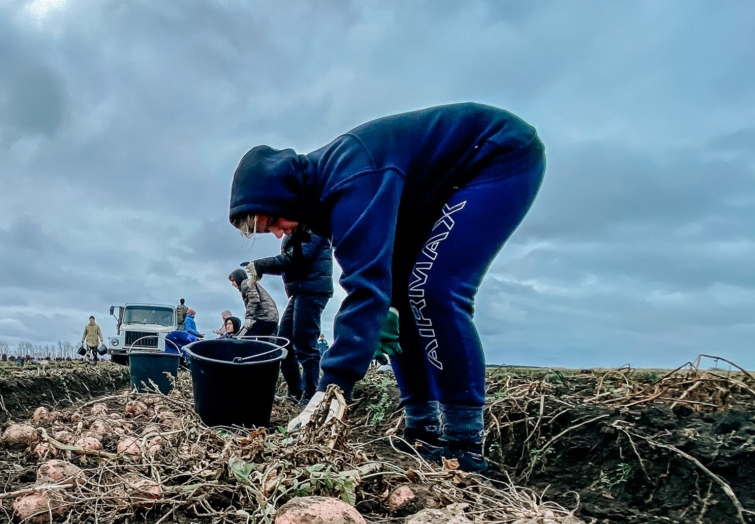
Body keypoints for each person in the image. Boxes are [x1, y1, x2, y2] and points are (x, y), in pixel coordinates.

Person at [229, 103, 546, 473]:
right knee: (396, 304)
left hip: (494, 156)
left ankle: (463, 443)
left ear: (282, 191)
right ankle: (422, 427)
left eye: (274, 219)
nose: (281, 231)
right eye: (270, 231)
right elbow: (378, 287)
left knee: (434, 290)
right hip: (424, 193)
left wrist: (332, 387)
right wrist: (384, 305)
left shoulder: (350, 179)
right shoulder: (321, 206)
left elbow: (364, 287)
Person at [244, 224, 333, 404]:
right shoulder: (299, 228)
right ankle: (296, 392)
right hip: (300, 290)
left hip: (313, 289)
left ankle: (310, 395)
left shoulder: (313, 227)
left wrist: (261, 266)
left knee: (304, 343)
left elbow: (296, 258)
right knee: (283, 342)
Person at [227, 269, 278, 337]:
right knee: (261, 343)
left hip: (262, 317)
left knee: (240, 338)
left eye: (233, 281)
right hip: (272, 319)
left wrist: (248, 317)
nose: (232, 284)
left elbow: (254, 299)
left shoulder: (245, 283)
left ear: (239, 278)